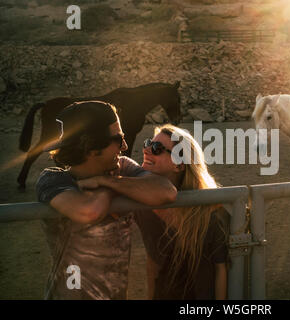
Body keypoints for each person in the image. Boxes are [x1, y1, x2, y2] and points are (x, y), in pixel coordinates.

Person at [36, 101, 177, 300]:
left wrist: (106, 181)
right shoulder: (52, 179)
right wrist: (114, 187)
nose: (125, 146)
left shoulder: (121, 168)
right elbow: (89, 211)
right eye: (118, 140)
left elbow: (166, 191)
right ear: (92, 146)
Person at [134, 124, 229, 300]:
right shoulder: (143, 208)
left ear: (179, 165)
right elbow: (153, 261)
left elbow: (220, 268)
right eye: (148, 143)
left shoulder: (208, 211)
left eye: (157, 148)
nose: (146, 150)